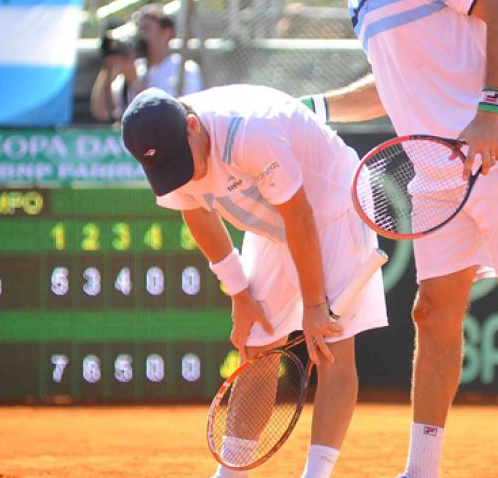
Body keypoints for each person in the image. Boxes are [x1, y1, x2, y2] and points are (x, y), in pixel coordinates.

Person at [253, 0, 498, 476]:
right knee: (432, 312)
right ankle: (421, 470)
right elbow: (389, 85)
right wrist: (311, 109)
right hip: (437, 175)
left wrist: (489, 112)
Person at [121, 85, 388, 477]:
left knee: (332, 348)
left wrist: (315, 306)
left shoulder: (249, 131)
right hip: (272, 221)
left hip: (333, 207)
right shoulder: (172, 159)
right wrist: (240, 293)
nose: (182, 175)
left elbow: (300, 218)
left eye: (182, 161)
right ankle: (232, 473)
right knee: (257, 343)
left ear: (193, 126)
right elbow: (196, 213)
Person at [91, 4, 203, 122]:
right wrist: (108, 67)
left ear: (167, 33)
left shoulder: (185, 69)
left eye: (146, 29)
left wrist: (135, 82)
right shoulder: (137, 68)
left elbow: (172, 114)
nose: (140, 35)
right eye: (139, 30)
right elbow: (101, 111)